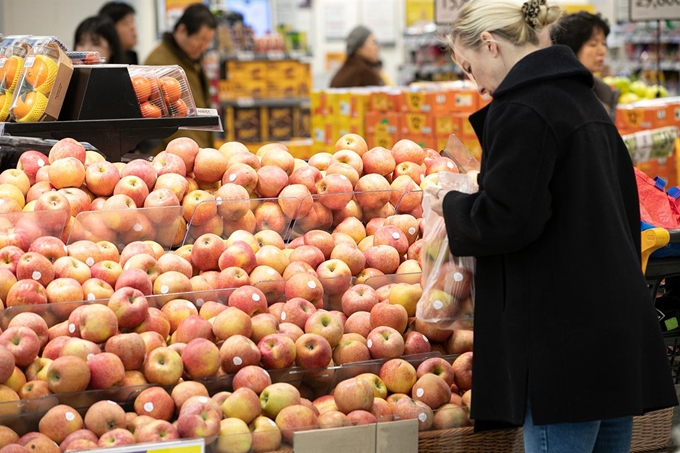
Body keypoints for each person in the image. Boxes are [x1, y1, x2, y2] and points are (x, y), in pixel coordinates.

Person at [426, 0, 677, 451]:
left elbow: (507, 220)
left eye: (469, 67)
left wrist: (450, 202)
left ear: (491, 45)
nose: (476, 84)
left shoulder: (523, 108)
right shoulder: (585, 99)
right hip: (613, 330)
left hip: (562, 343)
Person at [144, 3, 217, 151]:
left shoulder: (190, 58)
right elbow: (171, 121)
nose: (204, 47)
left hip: (195, 150)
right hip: (174, 154)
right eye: (201, 39)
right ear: (182, 30)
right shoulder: (160, 63)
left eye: (208, 41)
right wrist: (198, 152)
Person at [551, 11, 619, 120]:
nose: (602, 51)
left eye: (603, 43)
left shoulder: (604, 91)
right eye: (593, 44)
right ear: (572, 48)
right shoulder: (557, 94)